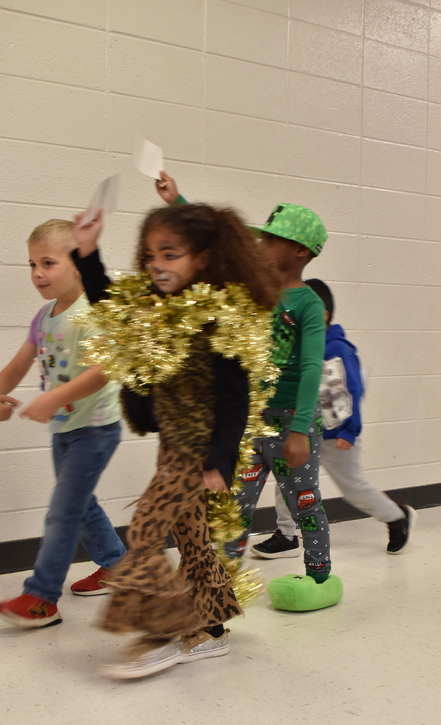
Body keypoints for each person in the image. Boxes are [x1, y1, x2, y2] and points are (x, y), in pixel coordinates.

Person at [72, 202, 280, 678]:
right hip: (172, 444)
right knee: (192, 540)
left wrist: (221, 461)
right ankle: (210, 630)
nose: (158, 265)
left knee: (145, 527)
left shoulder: (218, 317)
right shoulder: (155, 308)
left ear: (202, 258)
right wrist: (87, 252)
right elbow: (110, 304)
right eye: (150, 256)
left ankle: (162, 629)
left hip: (199, 452)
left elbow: (235, 398)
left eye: (170, 254)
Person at [155, 173, 339, 602]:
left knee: (304, 503)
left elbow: (312, 367)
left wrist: (299, 429)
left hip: (294, 422)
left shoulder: (308, 303)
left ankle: (318, 576)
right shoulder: (253, 289)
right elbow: (217, 246)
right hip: (251, 421)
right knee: (232, 506)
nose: (259, 244)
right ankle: (218, 580)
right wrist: (177, 201)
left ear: (297, 251)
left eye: (270, 239)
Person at [0, 220, 125, 629]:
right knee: (81, 505)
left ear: (77, 265)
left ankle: (41, 597)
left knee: (62, 511)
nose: (37, 273)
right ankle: (118, 567)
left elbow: (106, 369)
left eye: (48, 262)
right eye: (32, 264)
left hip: (97, 429)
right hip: (66, 430)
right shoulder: (43, 317)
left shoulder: (91, 312)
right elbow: (18, 366)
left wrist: (54, 397)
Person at [269, 279, 414, 555]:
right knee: (286, 478)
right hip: (304, 430)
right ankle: (286, 534)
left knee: (352, 486)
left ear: (320, 316)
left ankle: (396, 516)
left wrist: (350, 430)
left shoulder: (338, 349)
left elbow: (352, 390)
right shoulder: (298, 348)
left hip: (337, 434)